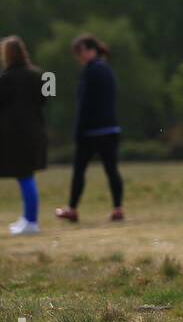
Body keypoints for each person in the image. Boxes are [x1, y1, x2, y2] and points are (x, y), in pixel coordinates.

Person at [55, 33, 125, 223]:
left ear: (88, 50)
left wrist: (78, 130)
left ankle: (72, 208)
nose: (78, 57)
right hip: (111, 129)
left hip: (91, 132)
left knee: (79, 170)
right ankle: (118, 208)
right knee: (112, 170)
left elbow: (84, 104)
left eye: (79, 52)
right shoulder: (107, 70)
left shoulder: (89, 72)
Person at [0, 36, 48, 235]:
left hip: (13, 134)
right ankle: (28, 218)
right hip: (35, 130)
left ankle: (31, 221)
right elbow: (47, 98)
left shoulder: (6, 78)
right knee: (26, 175)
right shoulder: (40, 74)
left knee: (25, 176)